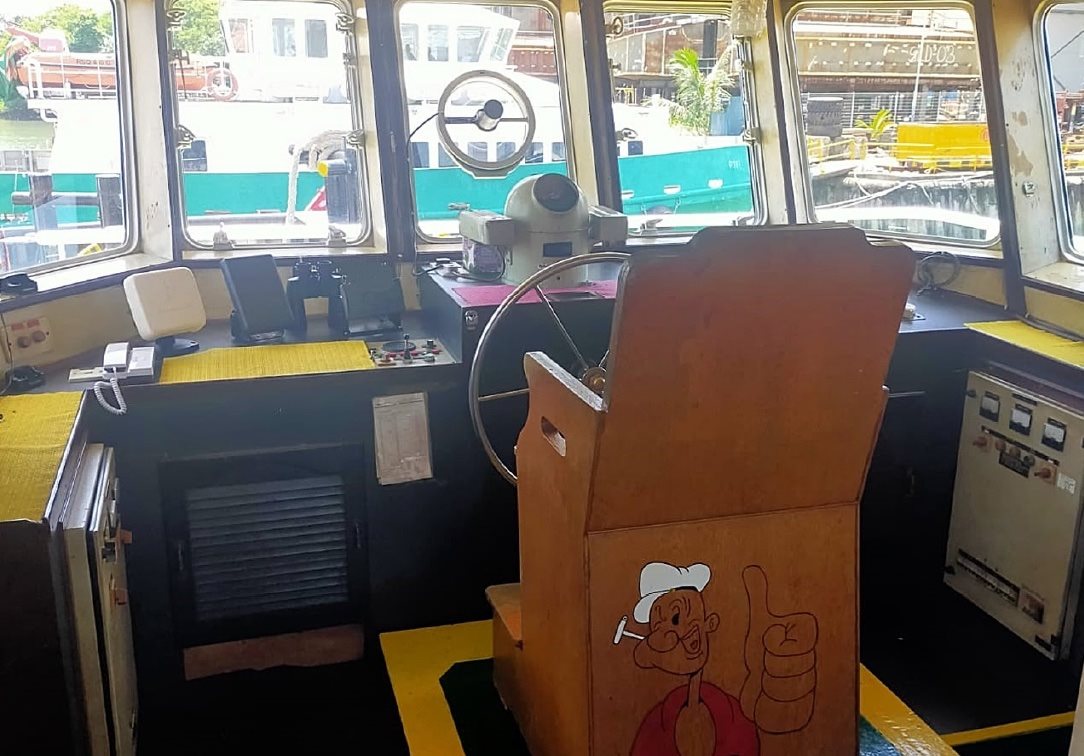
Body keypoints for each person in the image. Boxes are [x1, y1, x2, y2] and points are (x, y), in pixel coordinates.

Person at [629, 562, 759, 756]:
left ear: (710, 623)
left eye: (676, 618)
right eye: (658, 627)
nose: (673, 635)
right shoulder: (654, 727)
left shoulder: (735, 717)